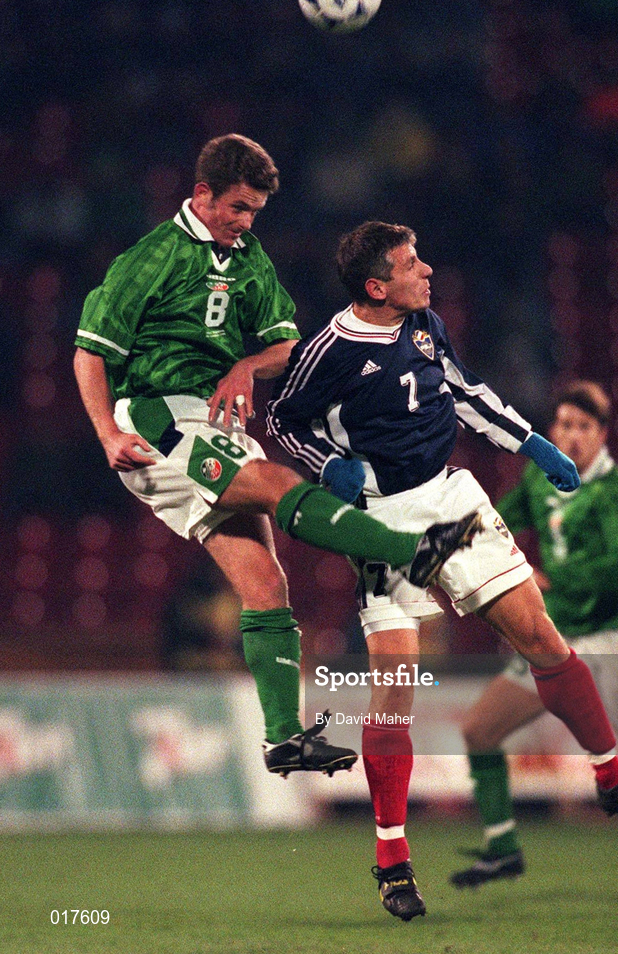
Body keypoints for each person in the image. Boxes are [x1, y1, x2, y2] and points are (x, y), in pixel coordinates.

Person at [267, 222, 618, 922]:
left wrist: (532, 442)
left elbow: (465, 391)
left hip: (453, 499)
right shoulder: (326, 352)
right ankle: (392, 859)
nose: (425, 270)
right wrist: (327, 466)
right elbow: (283, 419)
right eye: (409, 263)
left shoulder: (425, 322)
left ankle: (610, 774)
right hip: (380, 517)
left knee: (541, 640)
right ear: (375, 286)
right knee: (394, 685)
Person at [73, 137, 479, 780]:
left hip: (213, 421)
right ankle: (413, 548)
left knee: (266, 585)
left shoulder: (249, 257)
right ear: (202, 193)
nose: (246, 221)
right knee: (271, 482)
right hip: (155, 418)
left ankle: (283, 739)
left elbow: (286, 346)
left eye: (256, 211)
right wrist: (105, 433)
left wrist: (242, 366)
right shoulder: (151, 257)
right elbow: (90, 351)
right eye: (237, 207)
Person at [450, 380, 618, 888]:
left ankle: (510, 843)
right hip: (561, 639)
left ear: (603, 436)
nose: (571, 436)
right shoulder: (542, 476)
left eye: (583, 427)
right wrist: (460, 534)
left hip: (613, 642)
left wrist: (547, 581)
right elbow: (502, 513)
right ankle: (502, 847)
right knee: (479, 729)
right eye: (564, 424)